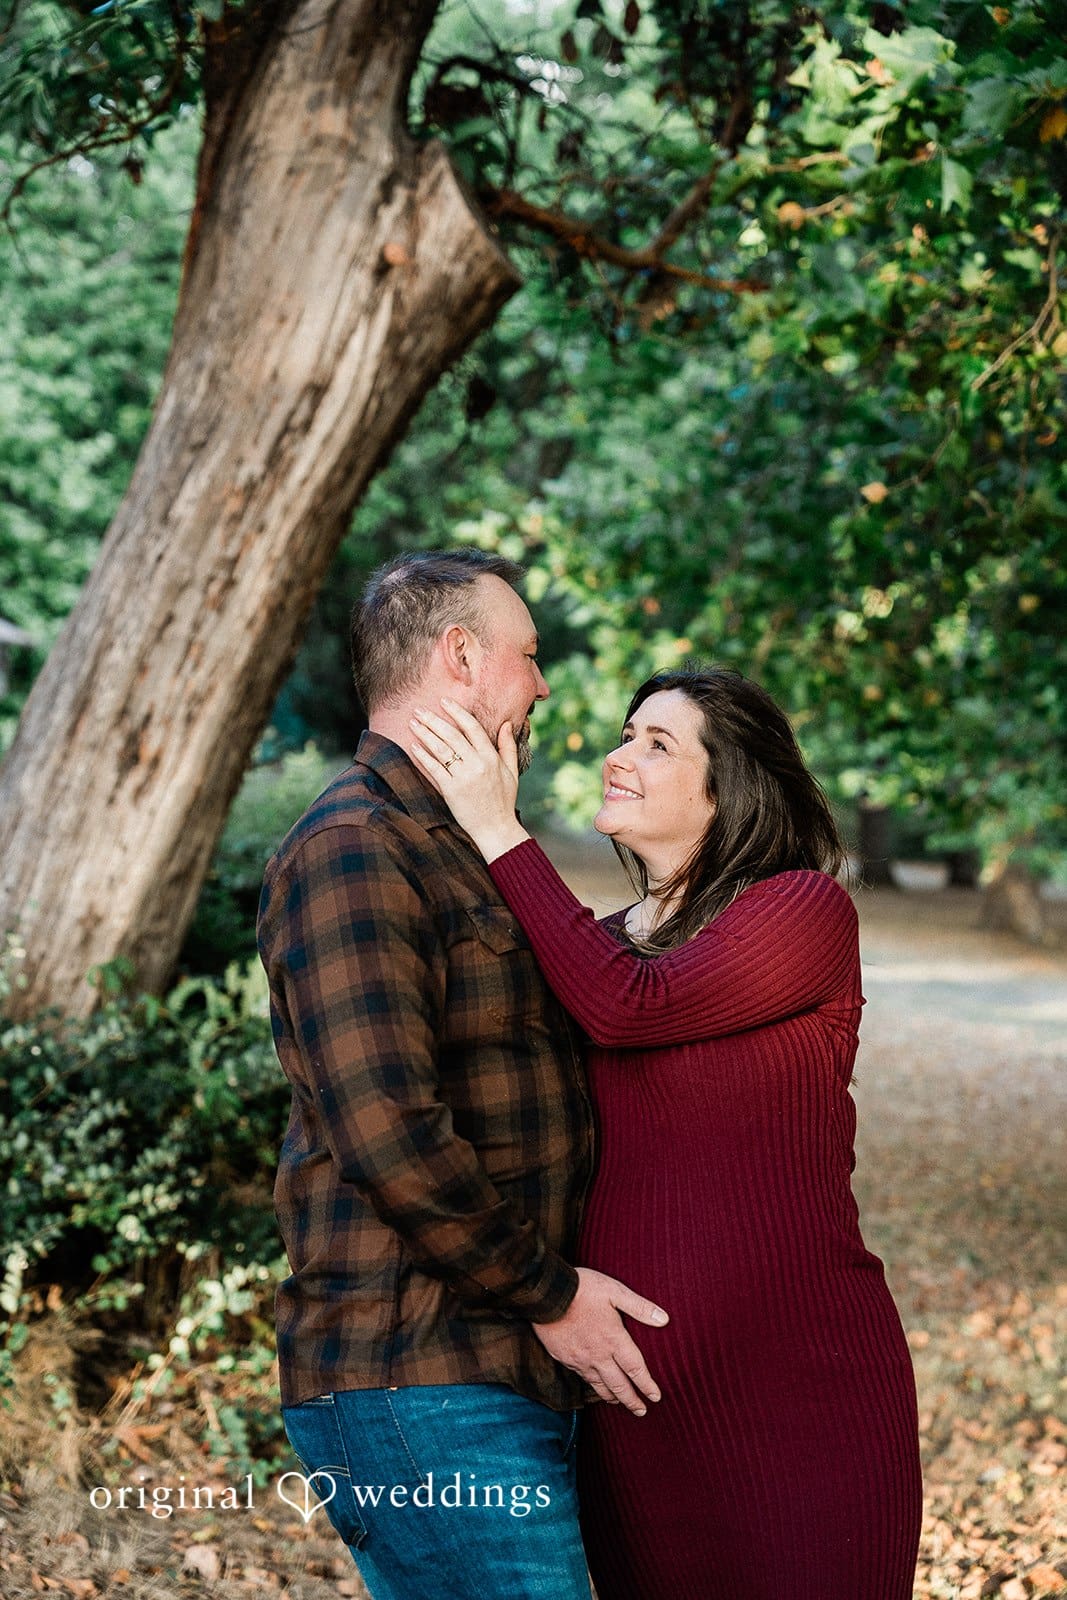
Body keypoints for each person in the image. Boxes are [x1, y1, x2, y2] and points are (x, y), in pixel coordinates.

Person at [409, 667, 924, 1600]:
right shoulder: (596, 945)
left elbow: (629, 1006)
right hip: (634, 1403)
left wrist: (497, 827)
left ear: (729, 788)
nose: (619, 757)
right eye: (624, 735)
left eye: (657, 744)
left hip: (800, 1393)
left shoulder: (799, 910)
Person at [256, 550, 669, 1600]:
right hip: (412, 1371)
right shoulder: (355, 844)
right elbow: (387, 1130)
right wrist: (553, 1292)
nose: (541, 685)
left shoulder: (460, 841)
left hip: (491, 1364)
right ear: (458, 655)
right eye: (527, 656)